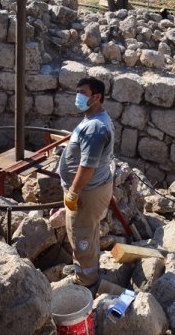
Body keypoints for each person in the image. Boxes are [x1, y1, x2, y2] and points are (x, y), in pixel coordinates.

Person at [57, 76, 115, 290]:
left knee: (81, 234)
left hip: (87, 192)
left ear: (96, 97)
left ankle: (86, 281)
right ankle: (87, 268)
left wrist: (73, 192)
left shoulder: (95, 128)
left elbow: (87, 166)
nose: (78, 97)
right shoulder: (94, 119)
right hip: (91, 189)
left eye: (82, 93)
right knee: (87, 231)